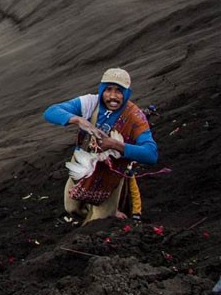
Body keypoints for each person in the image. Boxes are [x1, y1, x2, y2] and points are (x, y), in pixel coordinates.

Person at [43, 68, 158, 224]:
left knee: (98, 221)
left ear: (126, 93)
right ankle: (88, 219)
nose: (112, 96)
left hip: (111, 174)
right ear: (101, 89)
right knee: (72, 208)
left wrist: (116, 145)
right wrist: (77, 119)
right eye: (108, 89)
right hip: (82, 165)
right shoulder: (90, 103)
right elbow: (51, 112)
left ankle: (93, 227)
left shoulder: (135, 117)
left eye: (119, 91)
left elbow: (151, 154)